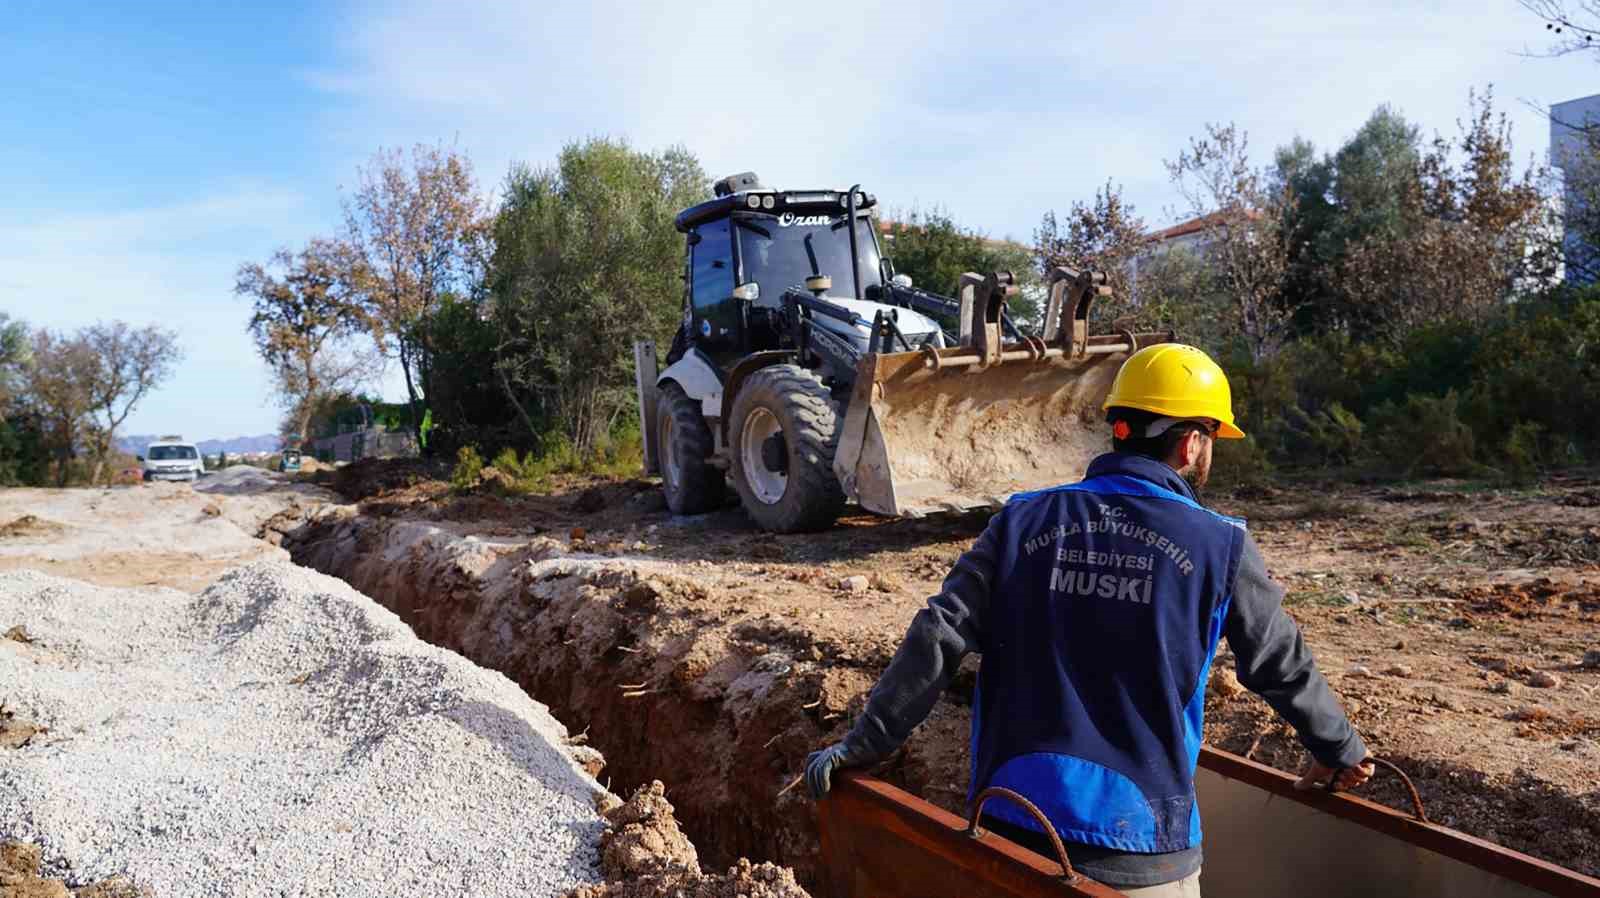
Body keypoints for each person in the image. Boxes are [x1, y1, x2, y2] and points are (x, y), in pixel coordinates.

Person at [805, 343, 1373, 897]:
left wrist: (866, 744)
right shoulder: (1220, 546)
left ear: (1118, 426)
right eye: (1212, 440)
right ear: (1193, 442)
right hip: (1142, 849)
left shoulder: (1021, 520)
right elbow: (1280, 664)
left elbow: (939, 632)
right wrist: (1339, 751)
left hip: (1009, 830)